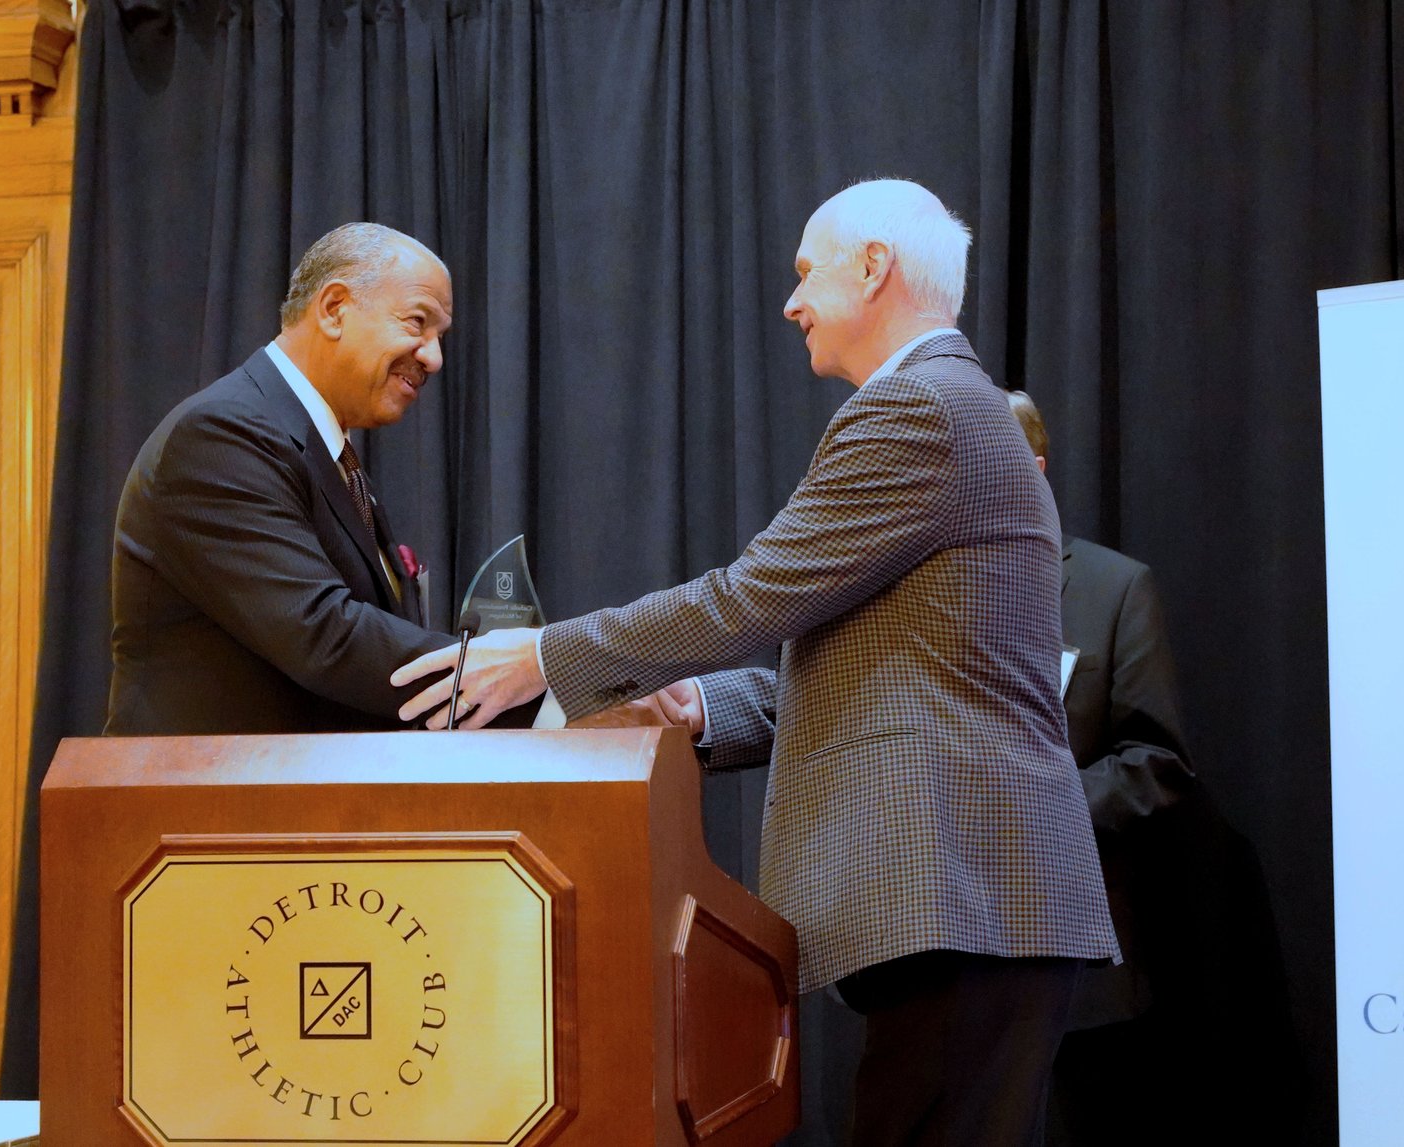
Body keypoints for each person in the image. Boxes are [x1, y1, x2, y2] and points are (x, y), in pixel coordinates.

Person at [392, 180, 1120, 1145]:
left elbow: (751, 596)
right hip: (976, 898)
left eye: (804, 270)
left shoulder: (919, 407)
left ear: (873, 267)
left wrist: (544, 658)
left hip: (969, 891)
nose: (791, 302)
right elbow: (879, 674)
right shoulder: (948, 404)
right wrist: (697, 704)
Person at [106, 222, 537, 734]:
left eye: (438, 337)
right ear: (334, 309)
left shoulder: (331, 456)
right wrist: (545, 687)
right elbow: (326, 636)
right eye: (417, 323)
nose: (433, 357)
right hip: (205, 804)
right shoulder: (220, 436)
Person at [1006, 390, 1202, 1143]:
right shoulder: (924, 595)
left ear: (1035, 468)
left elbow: (1160, 762)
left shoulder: (1115, 589)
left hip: (1076, 975)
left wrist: (1039, 805)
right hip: (947, 966)